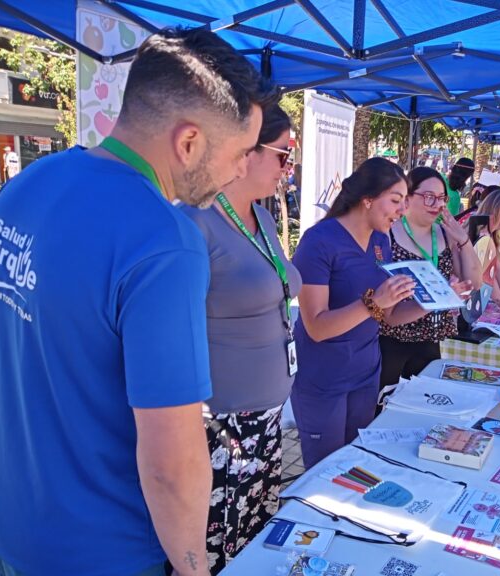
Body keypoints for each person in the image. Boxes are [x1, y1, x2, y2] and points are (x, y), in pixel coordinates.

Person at [0, 28, 270, 576]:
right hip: (107, 552)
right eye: (242, 152)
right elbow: (173, 459)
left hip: (17, 531)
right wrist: (193, 569)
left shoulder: (29, 184)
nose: (244, 169)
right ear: (190, 142)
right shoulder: (165, 241)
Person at [180, 104, 299, 573]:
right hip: (221, 429)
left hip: (265, 423)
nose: (288, 170)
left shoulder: (264, 220)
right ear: (245, 152)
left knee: (252, 545)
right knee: (220, 548)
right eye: (283, 156)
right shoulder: (194, 222)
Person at [291, 158, 434, 469]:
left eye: (404, 202)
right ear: (367, 199)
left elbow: (390, 316)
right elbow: (316, 326)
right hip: (324, 379)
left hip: (366, 374)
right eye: (395, 201)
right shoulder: (319, 242)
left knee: (355, 467)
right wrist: (373, 303)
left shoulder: (382, 241)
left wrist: (431, 301)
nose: (401, 211)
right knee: (324, 474)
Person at [379, 166, 481, 394]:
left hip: (431, 341)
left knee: (424, 410)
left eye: (442, 198)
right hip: (392, 342)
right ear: (408, 195)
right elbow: (388, 312)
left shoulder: (445, 234)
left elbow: (474, 282)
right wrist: (440, 299)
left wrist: (463, 239)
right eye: (429, 197)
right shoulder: (388, 234)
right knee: (385, 412)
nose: (438, 205)